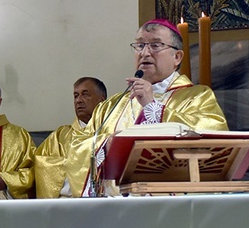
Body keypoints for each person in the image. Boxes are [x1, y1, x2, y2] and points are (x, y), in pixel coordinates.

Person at [66, 18, 228, 197]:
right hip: (115, 211)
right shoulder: (110, 106)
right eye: (139, 46)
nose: (145, 53)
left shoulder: (198, 97)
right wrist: (105, 145)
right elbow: (77, 147)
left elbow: (213, 139)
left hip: (170, 209)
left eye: (155, 45)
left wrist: (153, 108)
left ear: (177, 57)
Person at [34, 77, 107, 198]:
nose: (79, 100)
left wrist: (72, 165)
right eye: (76, 96)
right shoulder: (60, 137)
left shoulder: (111, 133)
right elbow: (43, 169)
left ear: (102, 101)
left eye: (85, 94)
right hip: (68, 205)